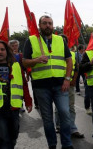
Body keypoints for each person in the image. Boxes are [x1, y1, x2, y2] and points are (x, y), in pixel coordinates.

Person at [22, 15, 74, 149]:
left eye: (50, 23)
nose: (47, 26)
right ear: (39, 25)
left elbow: (69, 60)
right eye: (44, 23)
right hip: (41, 87)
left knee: (65, 113)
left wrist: (67, 79)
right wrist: (37, 60)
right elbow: (25, 61)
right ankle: (52, 144)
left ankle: (67, 144)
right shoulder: (31, 40)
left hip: (60, 85)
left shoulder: (60, 40)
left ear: (53, 25)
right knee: (47, 119)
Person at [0, 40, 32, 149]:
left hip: (13, 107)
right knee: (3, 138)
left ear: (6, 51)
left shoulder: (15, 65)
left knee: (13, 136)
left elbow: (23, 83)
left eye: (2, 49)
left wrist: (28, 100)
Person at [55, 36, 84, 139]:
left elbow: (77, 68)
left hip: (70, 85)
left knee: (71, 107)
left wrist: (73, 80)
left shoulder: (72, 54)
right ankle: (58, 126)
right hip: (57, 85)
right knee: (59, 108)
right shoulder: (53, 53)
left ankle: (73, 129)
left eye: (63, 41)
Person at [9, 40, 28, 112]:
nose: (14, 47)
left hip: (20, 76)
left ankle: (20, 105)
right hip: (11, 76)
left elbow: (25, 66)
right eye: (12, 46)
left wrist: (27, 75)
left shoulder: (21, 55)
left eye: (16, 45)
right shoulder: (7, 56)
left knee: (21, 90)